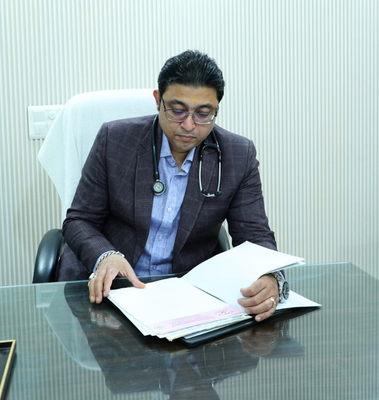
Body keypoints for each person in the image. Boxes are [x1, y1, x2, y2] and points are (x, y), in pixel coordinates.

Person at [57, 50, 287, 322]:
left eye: (203, 114)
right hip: (107, 290)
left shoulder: (237, 155)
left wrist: (271, 277)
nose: (189, 125)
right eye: (177, 111)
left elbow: (255, 235)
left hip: (185, 298)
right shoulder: (116, 141)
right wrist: (105, 256)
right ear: (158, 100)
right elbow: (79, 220)